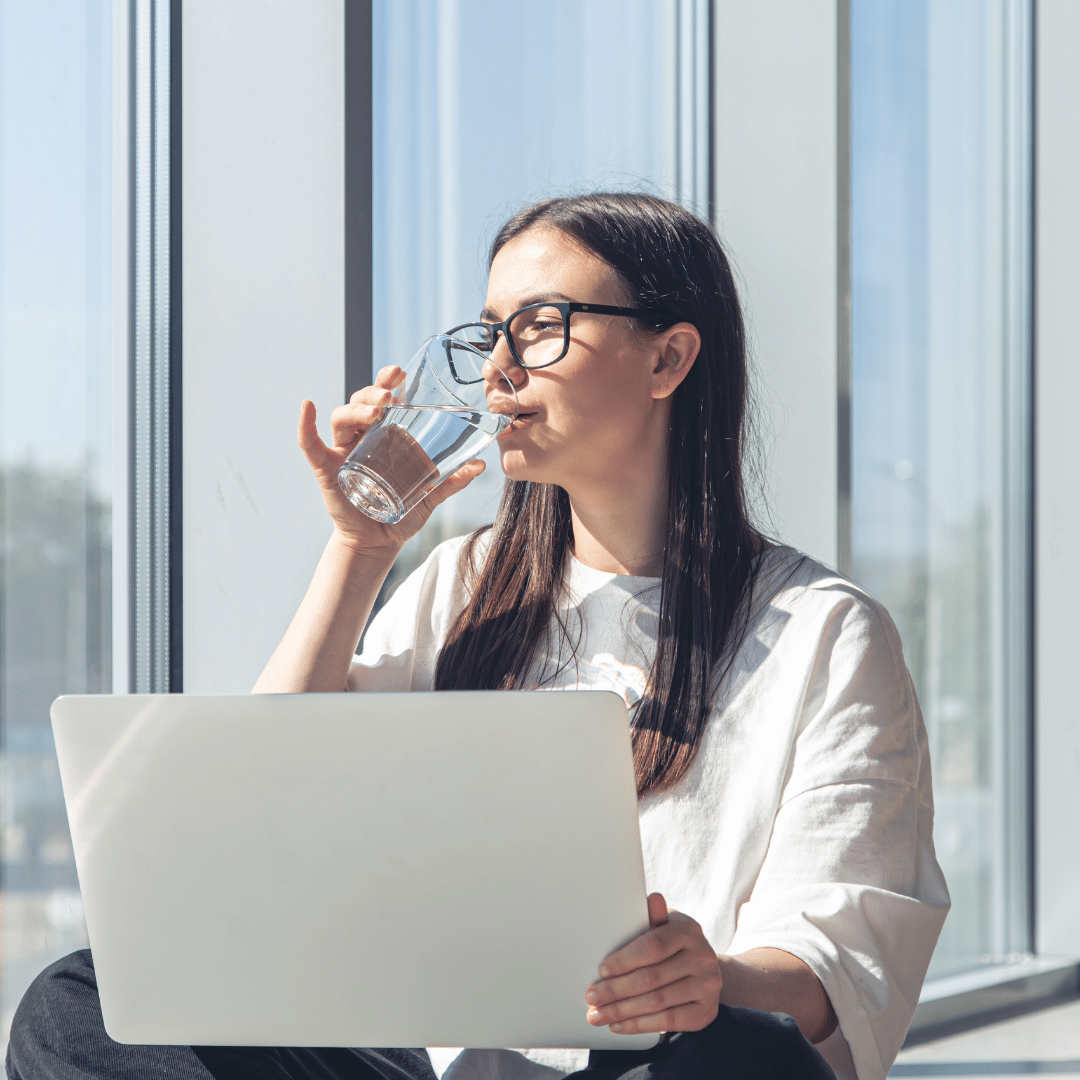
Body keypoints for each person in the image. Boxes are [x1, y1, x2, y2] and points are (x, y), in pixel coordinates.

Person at [7, 193, 949, 1080]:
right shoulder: (465, 584)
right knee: (77, 1002)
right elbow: (263, 800)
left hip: (654, 1062)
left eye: (539, 326)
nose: (497, 369)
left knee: (730, 1059)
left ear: (668, 360)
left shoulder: (826, 636)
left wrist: (709, 983)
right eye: (489, 332)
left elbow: (843, 960)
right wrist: (360, 547)